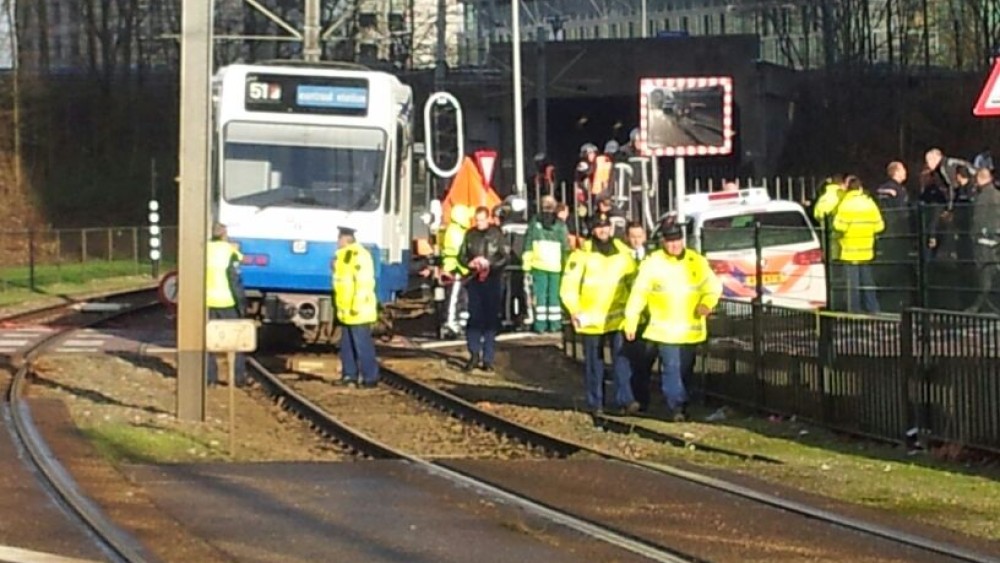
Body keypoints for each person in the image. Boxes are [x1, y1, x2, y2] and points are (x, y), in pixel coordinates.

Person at [624, 217, 721, 421]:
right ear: (662, 242)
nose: (674, 245)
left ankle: (683, 405)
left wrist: (708, 303)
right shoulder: (653, 263)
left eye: (677, 240)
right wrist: (631, 320)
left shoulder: (696, 261)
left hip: (690, 330)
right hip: (664, 331)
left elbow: (712, 286)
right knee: (672, 369)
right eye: (669, 241)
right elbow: (638, 293)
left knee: (685, 371)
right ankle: (676, 407)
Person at [560, 213, 639, 416]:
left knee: (622, 360)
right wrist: (574, 309)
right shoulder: (581, 255)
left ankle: (626, 400)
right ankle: (596, 403)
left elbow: (634, 283)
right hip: (591, 319)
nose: (603, 230)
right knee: (594, 364)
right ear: (592, 230)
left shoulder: (623, 253)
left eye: (606, 226)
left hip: (617, 317)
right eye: (598, 227)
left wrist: (635, 311)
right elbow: (569, 285)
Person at [459, 206, 509, 372]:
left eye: (482, 220)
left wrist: (490, 264)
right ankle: (474, 354)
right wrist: (470, 263)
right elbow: (462, 255)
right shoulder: (470, 235)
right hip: (474, 281)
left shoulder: (497, 234)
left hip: (492, 281)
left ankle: (488, 358)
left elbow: (505, 257)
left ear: (488, 219)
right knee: (474, 318)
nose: (479, 223)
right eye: (477, 220)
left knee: (490, 320)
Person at [333, 226, 380, 388]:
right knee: (347, 345)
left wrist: (355, 304)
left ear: (345, 239)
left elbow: (363, 283)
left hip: (358, 309)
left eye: (338, 239)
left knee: (362, 345)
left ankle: (370, 378)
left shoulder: (358, 255)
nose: (337, 242)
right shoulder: (343, 256)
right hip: (347, 310)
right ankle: (349, 375)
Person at [832, 177, 885, 314]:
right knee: (868, 282)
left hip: (850, 251)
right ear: (860, 188)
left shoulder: (845, 204)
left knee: (853, 285)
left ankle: (854, 312)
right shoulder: (870, 203)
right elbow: (879, 226)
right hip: (866, 249)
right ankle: (873, 308)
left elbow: (839, 226)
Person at [205, 222, 247, 387]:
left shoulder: (204, 251)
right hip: (227, 302)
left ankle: (209, 378)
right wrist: (241, 305)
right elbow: (234, 281)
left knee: (207, 342)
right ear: (224, 234)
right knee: (235, 342)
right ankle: (237, 378)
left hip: (206, 303)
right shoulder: (230, 253)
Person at [622, 221, 657, 412]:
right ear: (627, 237)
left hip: (650, 315)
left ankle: (644, 397)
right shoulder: (622, 257)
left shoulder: (652, 257)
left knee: (648, 358)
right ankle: (636, 398)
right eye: (632, 236)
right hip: (630, 316)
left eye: (639, 236)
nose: (636, 240)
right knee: (633, 359)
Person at [523, 195, 570, 333]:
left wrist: (526, 267)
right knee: (554, 296)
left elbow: (528, 245)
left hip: (538, 264)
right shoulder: (560, 225)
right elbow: (565, 247)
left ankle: (540, 325)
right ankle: (555, 324)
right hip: (555, 264)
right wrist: (566, 265)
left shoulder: (534, 222)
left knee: (540, 296)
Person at [874, 161, 913, 311]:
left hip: (885, 232)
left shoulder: (881, 189)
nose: (905, 173)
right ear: (896, 172)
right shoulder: (900, 190)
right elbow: (903, 213)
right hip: (898, 232)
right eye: (903, 170)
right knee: (900, 267)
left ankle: (886, 297)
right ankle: (900, 300)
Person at [966, 167, 1000, 313]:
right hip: (994, 240)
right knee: (992, 272)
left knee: (985, 273)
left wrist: (975, 235)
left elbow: (978, 219)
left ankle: (982, 305)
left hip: (983, 241)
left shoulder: (982, 197)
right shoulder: (997, 195)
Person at [440, 205, 473, 336]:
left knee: (463, 298)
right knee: (454, 298)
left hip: (462, 270)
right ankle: (450, 324)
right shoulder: (455, 232)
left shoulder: (460, 231)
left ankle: (461, 323)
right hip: (455, 269)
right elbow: (457, 253)